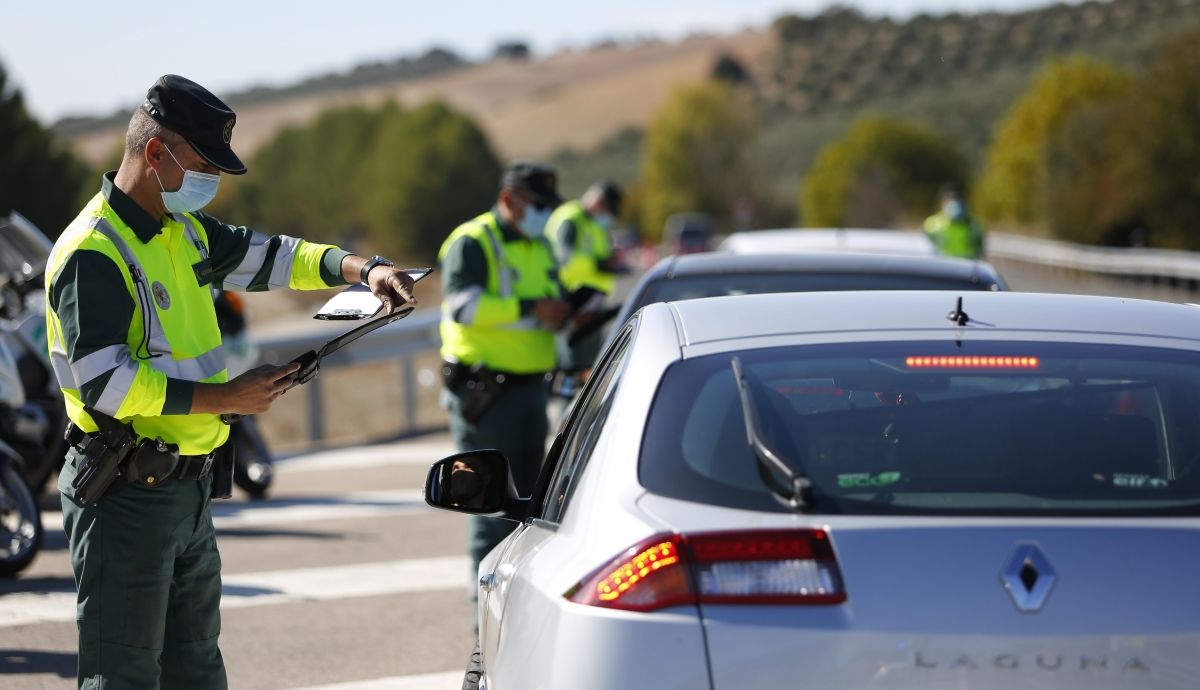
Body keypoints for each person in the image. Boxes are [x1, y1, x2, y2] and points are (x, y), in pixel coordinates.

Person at [46, 74, 418, 690]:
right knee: (125, 675)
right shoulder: (96, 251)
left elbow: (274, 255)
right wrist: (228, 398)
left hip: (186, 491)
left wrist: (364, 269)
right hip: (126, 497)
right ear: (155, 153)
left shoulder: (181, 230)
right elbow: (103, 384)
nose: (209, 182)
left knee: (197, 671)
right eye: (202, 164)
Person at [437, 161, 570, 578]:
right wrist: (533, 308)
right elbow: (463, 307)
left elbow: (548, 298)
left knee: (529, 509)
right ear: (509, 199)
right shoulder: (473, 241)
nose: (543, 213)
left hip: (531, 388)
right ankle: (484, 632)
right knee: (487, 507)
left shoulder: (541, 245)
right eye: (536, 204)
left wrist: (565, 313)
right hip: (486, 395)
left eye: (548, 206)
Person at [546, 179, 623, 373]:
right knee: (572, 365)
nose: (607, 217)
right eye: (607, 210)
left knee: (589, 364)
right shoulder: (571, 219)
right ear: (598, 202)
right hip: (572, 303)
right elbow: (562, 258)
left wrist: (609, 262)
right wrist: (598, 263)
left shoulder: (594, 224)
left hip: (592, 303)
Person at [923, 184, 985, 260]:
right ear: (942, 203)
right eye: (951, 199)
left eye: (958, 199)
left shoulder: (975, 226)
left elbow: (980, 252)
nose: (955, 204)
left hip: (967, 268)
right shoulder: (931, 225)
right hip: (940, 268)